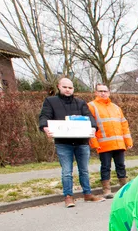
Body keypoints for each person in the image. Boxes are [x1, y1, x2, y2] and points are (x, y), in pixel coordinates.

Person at [39, 77, 104, 208]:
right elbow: (44, 116)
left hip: (81, 142)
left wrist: (93, 128)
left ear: (73, 89)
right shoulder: (51, 102)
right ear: (59, 87)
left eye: (70, 88)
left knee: (84, 170)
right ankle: (68, 196)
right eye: (65, 87)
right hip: (63, 143)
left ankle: (87, 194)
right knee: (67, 171)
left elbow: (90, 117)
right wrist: (44, 127)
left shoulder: (80, 103)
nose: (68, 90)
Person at [88, 83, 132, 198]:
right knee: (105, 166)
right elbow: (90, 126)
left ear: (109, 92)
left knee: (121, 166)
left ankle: (124, 187)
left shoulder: (116, 108)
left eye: (105, 91)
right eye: (100, 91)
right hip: (104, 144)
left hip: (118, 143)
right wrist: (94, 142)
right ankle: (106, 190)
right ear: (96, 92)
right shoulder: (92, 106)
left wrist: (128, 141)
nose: (103, 93)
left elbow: (123, 124)